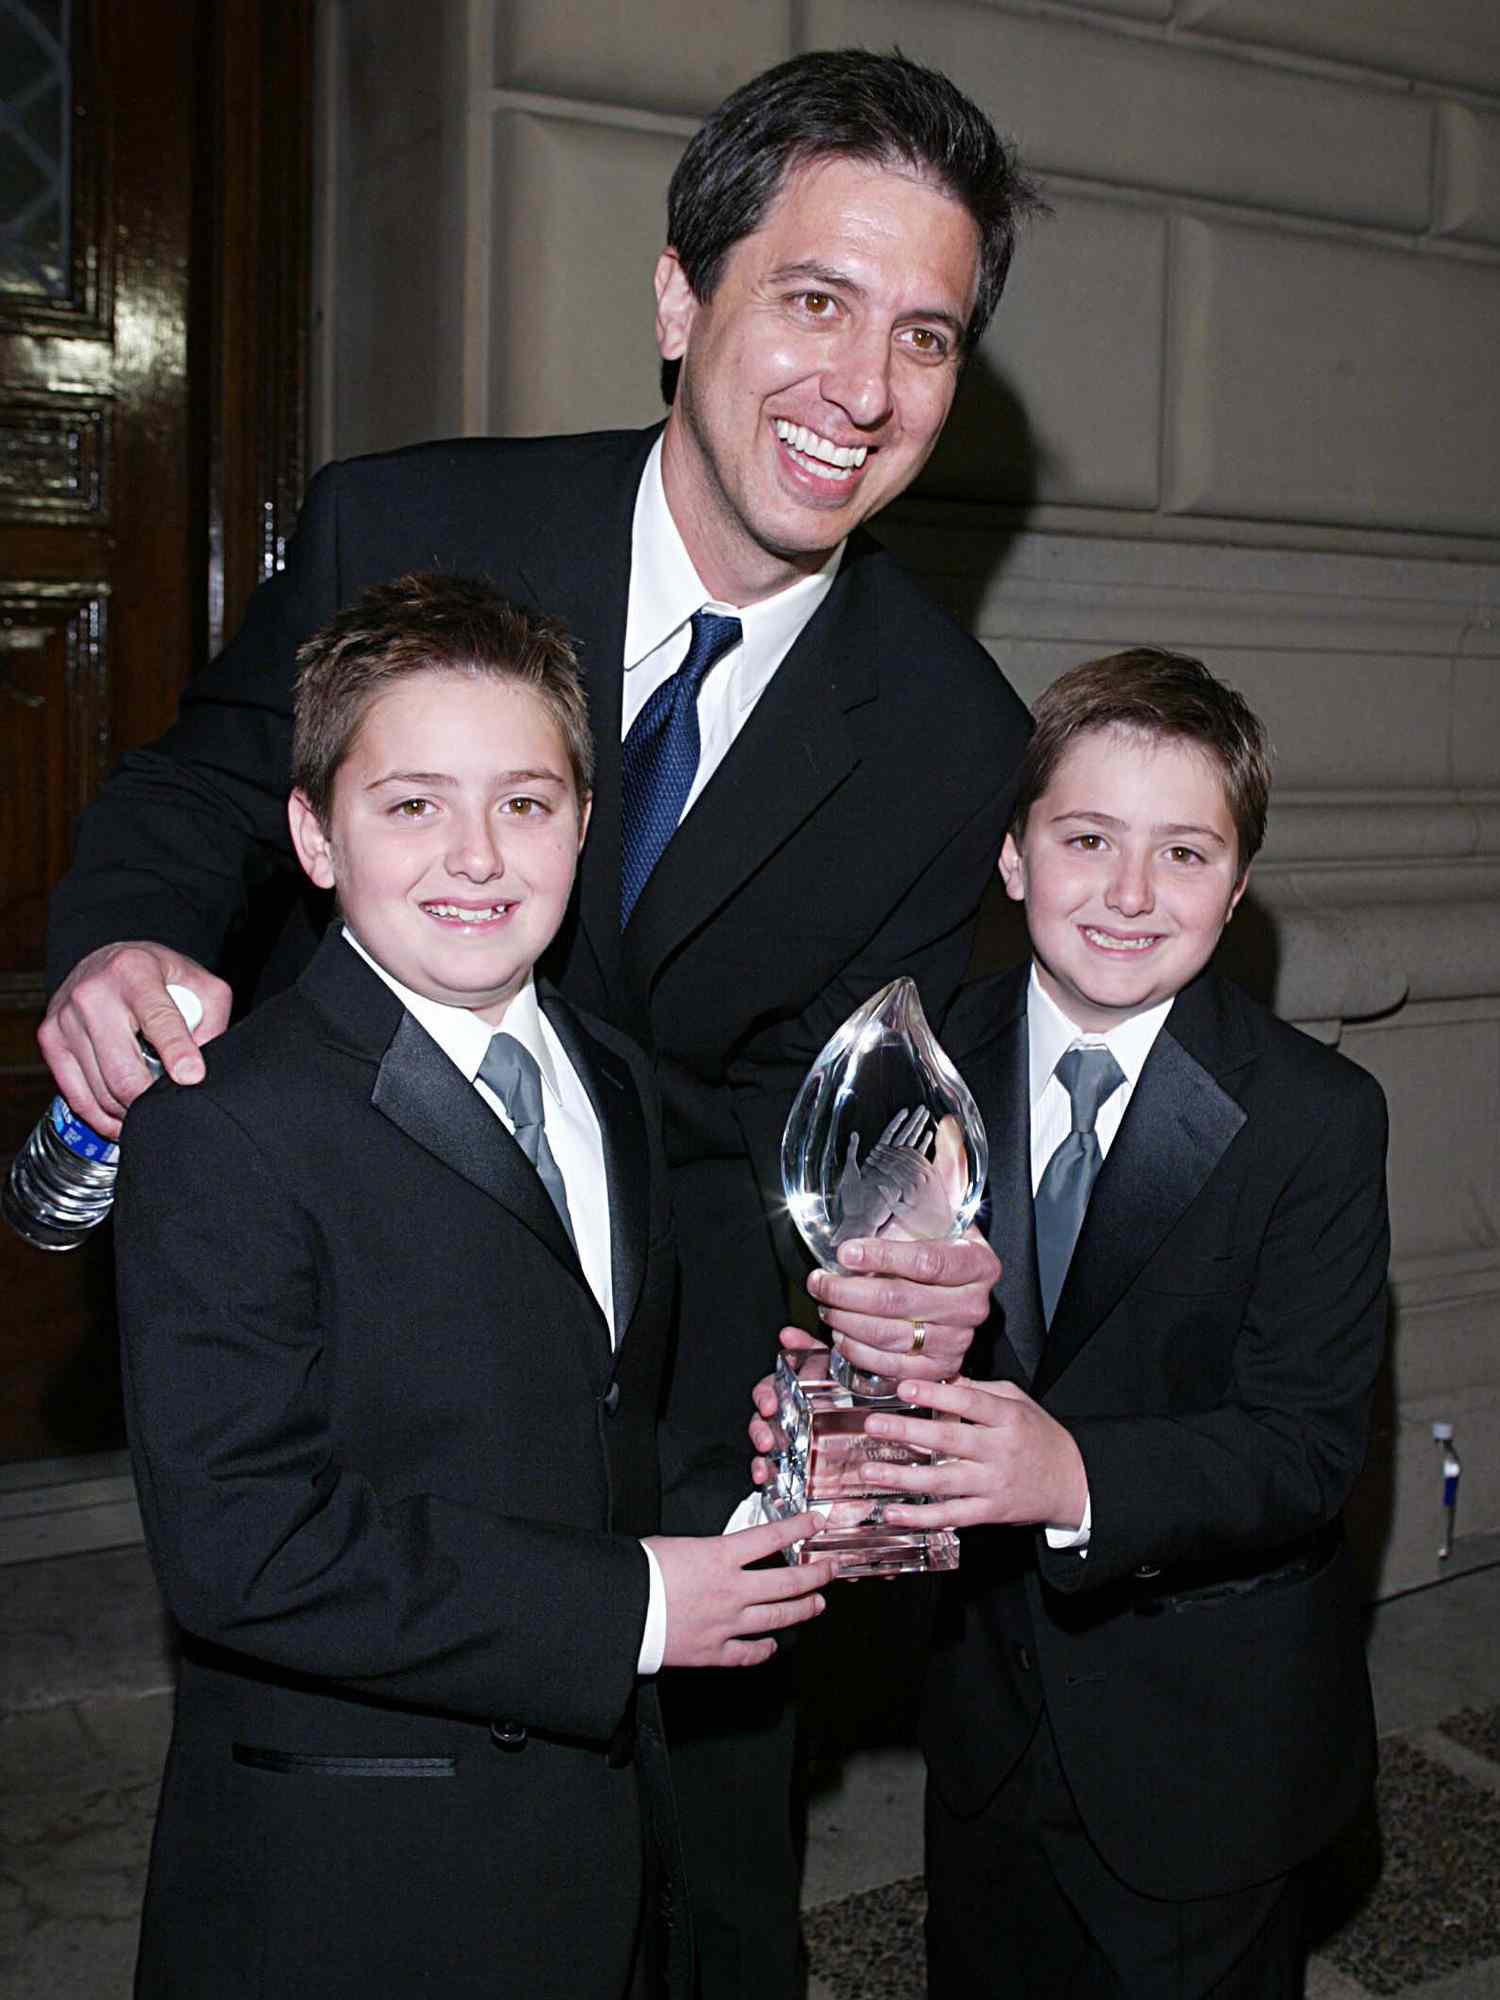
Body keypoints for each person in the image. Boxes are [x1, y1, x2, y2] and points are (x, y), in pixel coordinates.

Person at [42, 49, 1037, 1993]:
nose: (862, 385)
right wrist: (117, 947)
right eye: (815, 300)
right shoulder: (404, 523)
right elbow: (204, 791)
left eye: (926, 334)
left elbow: (857, 1134)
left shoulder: (953, 738)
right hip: (381, 1413)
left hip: (683, 1455)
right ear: (683, 298)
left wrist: (895, 1279)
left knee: (700, 1921)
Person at [115, 573, 840, 2000]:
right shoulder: (224, 1125)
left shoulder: (620, 1084)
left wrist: (778, 1478)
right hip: (360, 1876)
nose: (477, 857)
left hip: (597, 1837)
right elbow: (244, 1544)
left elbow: (606, 1414)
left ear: (587, 821)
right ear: (314, 836)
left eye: (524, 802)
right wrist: (631, 1611)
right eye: (410, 806)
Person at [755, 651, 1391, 1997]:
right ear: (1011, 855)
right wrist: (839, 1411)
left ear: (1237, 883)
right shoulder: (923, 1074)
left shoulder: (1313, 1120)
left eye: (1184, 851)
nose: (1129, 893)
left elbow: (1310, 1448)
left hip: (1207, 1746)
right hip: (987, 1727)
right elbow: (881, 1338)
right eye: (1087, 838)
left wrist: (1075, 1477)